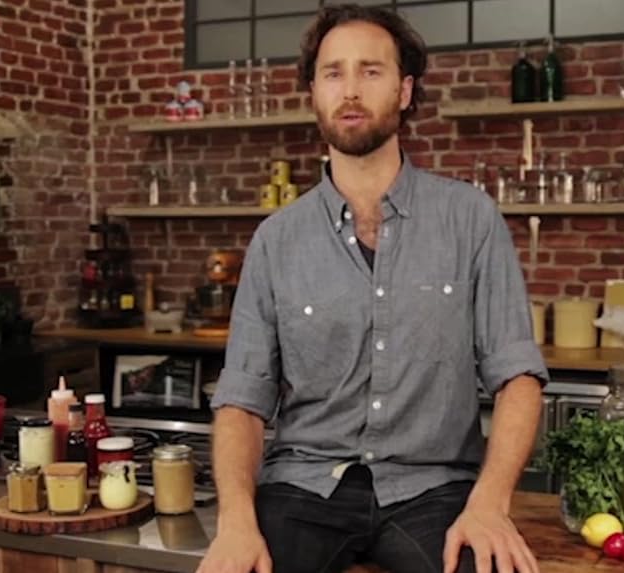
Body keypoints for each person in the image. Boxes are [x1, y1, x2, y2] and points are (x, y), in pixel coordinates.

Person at [198, 5, 548, 573]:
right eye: (333, 73)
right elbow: (242, 402)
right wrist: (236, 520)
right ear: (314, 92)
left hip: (434, 489)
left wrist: (490, 504)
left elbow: (518, 377)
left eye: (371, 70)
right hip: (303, 488)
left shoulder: (470, 219)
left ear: (405, 91)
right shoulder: (275, 240)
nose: (351, 90)